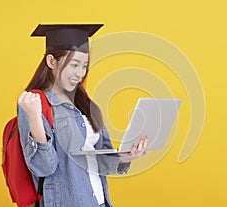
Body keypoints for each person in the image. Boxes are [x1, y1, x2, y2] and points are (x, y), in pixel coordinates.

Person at [17, 24, 148, 207]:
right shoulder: (34, 103)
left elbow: (101, 160)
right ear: (51, 62)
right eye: (74, 65)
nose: (80, 74)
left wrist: (128, 156)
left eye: (84, 66)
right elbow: (43, 168)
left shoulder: (85, 103)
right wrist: (34, 118)